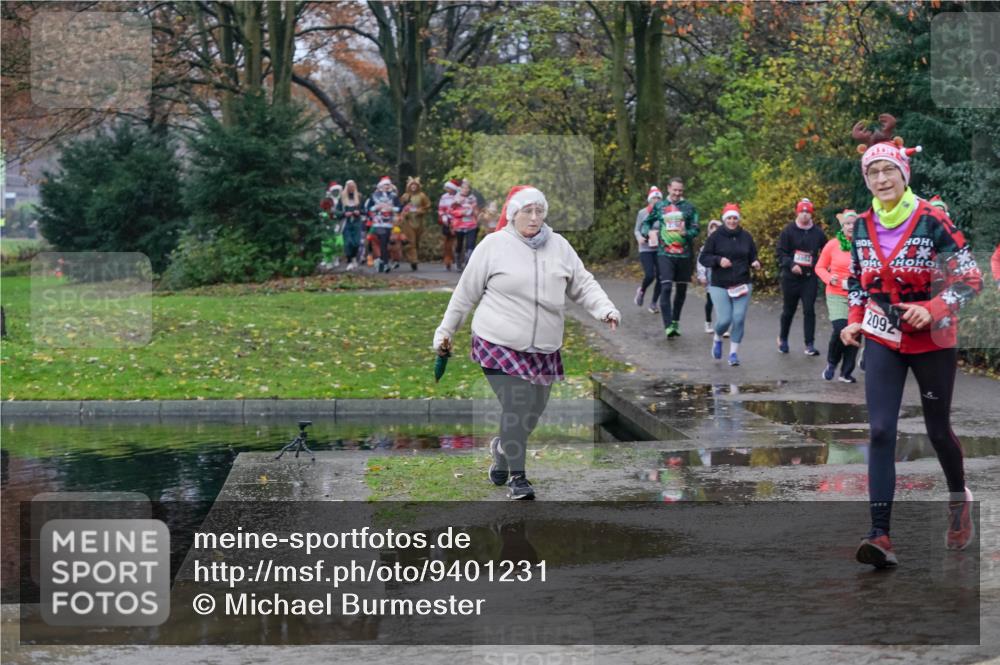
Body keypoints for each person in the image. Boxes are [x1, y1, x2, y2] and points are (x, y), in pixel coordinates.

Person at [842, 113, 982, 568]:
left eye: (889, 171)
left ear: (904, 175)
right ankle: (879, 535)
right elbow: (859, 281)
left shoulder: (932, 220)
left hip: (933, 340)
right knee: (881, 430)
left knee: (937, 430)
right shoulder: (861, 225)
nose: (881, 178)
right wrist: (855, 319)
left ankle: (959, 501)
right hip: (884, 338)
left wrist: (935, 308)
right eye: (873, 172)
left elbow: (970, 278)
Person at [433, 185, 620, 500]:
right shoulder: (493, 246)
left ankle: (504, 447)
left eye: (539, 211)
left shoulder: (559, 247)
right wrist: (445, 332)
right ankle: (518, 479)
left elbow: (583, 283)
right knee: (517, 405)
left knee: (534, 409)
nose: (534, 218)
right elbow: (465, 294)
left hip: (544, 349)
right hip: (498, 341)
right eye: (527, 211)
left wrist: (604, 309)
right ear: (512, 214)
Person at [698, 204, 761, 366]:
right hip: (720, 284)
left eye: (735, 218)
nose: (732, 221)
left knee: (738, 318)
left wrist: (755, 262)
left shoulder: (746, 236)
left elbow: (753, 254)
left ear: (738, 219)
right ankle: (717, 337)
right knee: (725, 320)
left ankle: (733, 353)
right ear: (724, 219)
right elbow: (703, 258)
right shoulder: (715, 237)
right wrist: (718, 260)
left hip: (742, 283)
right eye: (729, 218)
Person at [642, 177, 700, 336]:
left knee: (681, 290)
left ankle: (675, 322)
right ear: (668, 188)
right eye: (675, 190)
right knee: (666, 286)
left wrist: (686, 233)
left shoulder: (689, 208)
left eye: (680, 190)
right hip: (664, 253)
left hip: (684, 255)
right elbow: (646, 223)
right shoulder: (660, 206)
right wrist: (647, 233)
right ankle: (668, 326)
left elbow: (696, 229)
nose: (677, 193)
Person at [776, 198, 827, 355]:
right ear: (797, 213)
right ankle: (783, 339)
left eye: (808, 212)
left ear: (811, 214)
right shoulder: (788, 231)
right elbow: (780, 253)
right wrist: (791, 265)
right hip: (791, 278)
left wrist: (818, 264)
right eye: (802, 212)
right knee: (788, 310)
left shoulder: (818, 232)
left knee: (809, 309)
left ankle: (809, 344)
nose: (805, 215)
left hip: (809, 277)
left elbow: (826, 252)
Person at [816, 209, 861, 383]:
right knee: (840, 328)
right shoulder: (833, 245)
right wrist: (830, 279)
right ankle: (831, 363)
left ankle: (846, 372)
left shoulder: (864, 244)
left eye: (854, 224)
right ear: (842, 226)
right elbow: (819, 267)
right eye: (848, 224)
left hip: (858, 295)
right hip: (836, 293)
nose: (851, 227)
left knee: (855, 332)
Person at [633, 186, 663, 314]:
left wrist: (658, 234)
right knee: (650, 274)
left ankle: (654, 303)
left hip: (659, 248)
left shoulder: (663, 213)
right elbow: (636, 229)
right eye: (654, 198)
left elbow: (666, 229)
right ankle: (642, 291)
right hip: (645, 248)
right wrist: (640, 237)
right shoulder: (642, 213)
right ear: (649, 200)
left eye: (658, 198)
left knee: (661, 277)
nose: (656, 200)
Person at [365, 176, 402, 272]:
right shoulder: (374, 195)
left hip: (389, 223)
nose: (387, 186)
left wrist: (392, 209)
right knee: (383, 241)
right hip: (378, 223)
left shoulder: (393, 196)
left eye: (388, 184)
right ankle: (385, 263)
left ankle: (381, 261)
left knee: (386, 243)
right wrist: (377, 207)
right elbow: (368, 208)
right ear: (381, 186)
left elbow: (399, 208)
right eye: (385, 184)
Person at [696, 219, 723, 334]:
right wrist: (702, 275)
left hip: (724, 276)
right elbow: (701, 262)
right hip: (710, 276)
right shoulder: (705, 247)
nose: (714, 232)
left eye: (716, 229)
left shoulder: (725, 245)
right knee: (711, 301)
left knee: (723, 301)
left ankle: (722, 325)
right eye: (712, 229)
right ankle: (708, 322)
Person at [400, 176, 431, 271]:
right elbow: (400, 207)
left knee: (417, 241)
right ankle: (413, 260)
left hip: (418, 221)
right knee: (411, 241)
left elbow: (427, 206)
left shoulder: (422, 196)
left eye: (415, 185)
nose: (413, 187)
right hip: (408, 222)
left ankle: (412, 256)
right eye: (411, 185)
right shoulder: (405, 196)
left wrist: (420, 211)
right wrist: (403, 213)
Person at [451, 179, 480, 270]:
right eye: (464, 188)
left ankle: (468, 263)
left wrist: (476, 214)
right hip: (459, 225)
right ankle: (458, 262)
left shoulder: (473, 198)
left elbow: (476, 210)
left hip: (471, 225)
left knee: (470, 244)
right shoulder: (456, 198)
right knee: (459, 245)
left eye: (467, 188)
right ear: (460, 188)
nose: (465, 190)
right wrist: (462, 212)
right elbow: (451, 211)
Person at [337, 180, 365, 271]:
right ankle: (349, 261)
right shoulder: (342, 198)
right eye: (350, 187)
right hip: (346, 223)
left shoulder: (359, 197)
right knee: (348, 242)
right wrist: (344, 213)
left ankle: (354, 257)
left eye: (353, 187)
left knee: (356, 242)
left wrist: (359, 212)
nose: (351, 189)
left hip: (356, 222)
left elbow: (364, 210)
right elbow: (337, 211)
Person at [437, 179, 460, 271]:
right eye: (447, 188)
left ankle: (457, 260)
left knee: (457, 242)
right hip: (447, 221)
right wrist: (443, 216)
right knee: (447, 242)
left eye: (449, 188)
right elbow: (441, 208)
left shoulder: (458, 197)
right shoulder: (444, 197)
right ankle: (447, 261)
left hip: (457, 221)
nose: (447, 189)